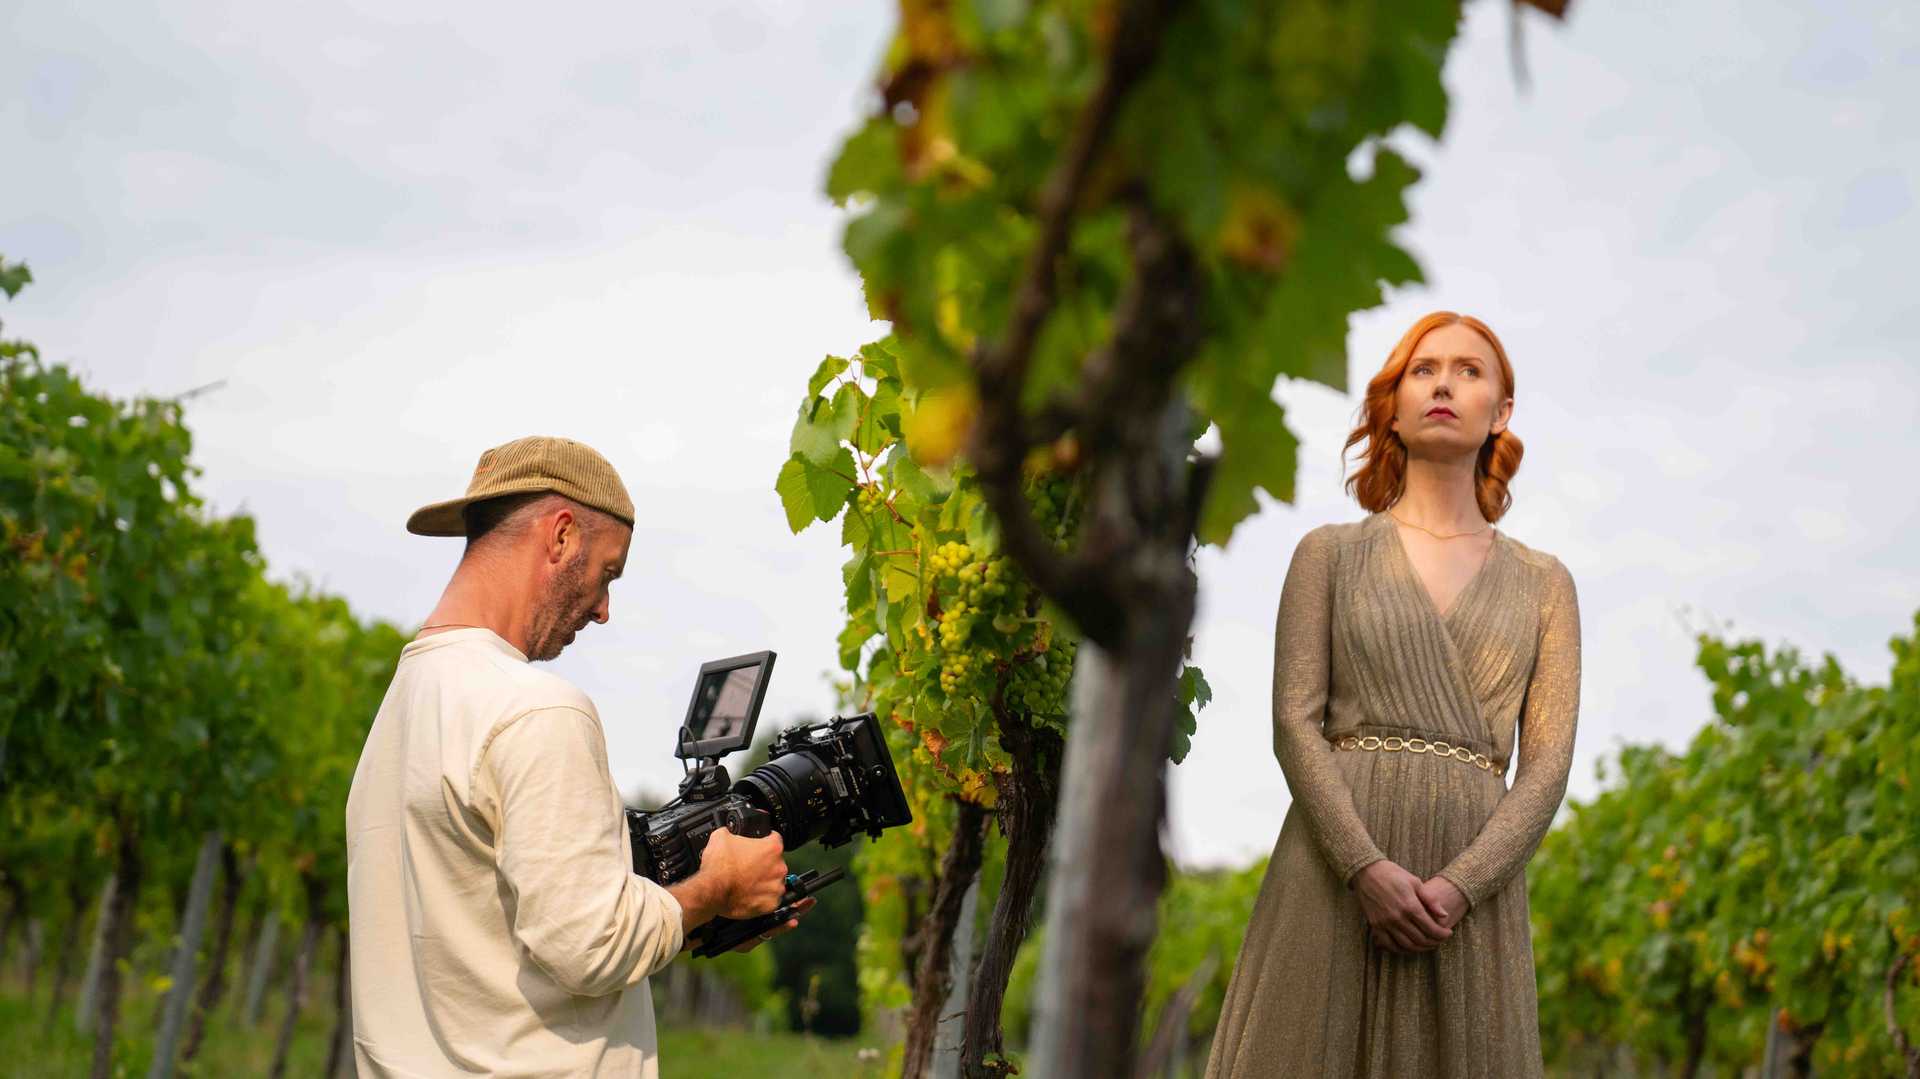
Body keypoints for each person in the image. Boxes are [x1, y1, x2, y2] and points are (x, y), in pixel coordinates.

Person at [346, 435, 806, 1078]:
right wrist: (717, 885)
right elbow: (589, 945)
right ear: (561, 537)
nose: (603, 610)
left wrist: (691, 916)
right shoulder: (537, 709)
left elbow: (498, 932)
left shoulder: (405, 703)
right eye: (607, 573)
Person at [1205, 313, 1581, 1077]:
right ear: (1395, 405)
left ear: (1501, 412)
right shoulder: (1329, 554)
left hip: (1470, 894)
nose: (1444, 382)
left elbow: (1546, 766)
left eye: (1470, 370)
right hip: (1332, 868)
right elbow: (1292, 720)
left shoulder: (1546, 582)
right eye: (1423, 368)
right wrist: (1363, 868)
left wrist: (1461, 888)